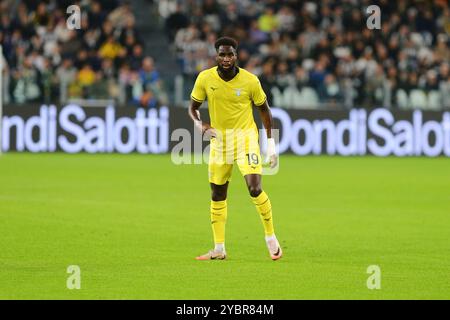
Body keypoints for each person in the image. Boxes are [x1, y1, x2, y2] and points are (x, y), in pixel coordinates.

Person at [188, 37, 282, 261]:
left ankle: (270, 236)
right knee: (217, 194)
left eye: (230, 54)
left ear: (236, 55)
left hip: (246, 140)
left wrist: (271, 145)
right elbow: (192, 108)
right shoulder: (205, 78)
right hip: (219, 144)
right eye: (222, 54)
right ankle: (219, 248)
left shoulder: (250, 81)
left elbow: (265, 111)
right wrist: (200, 124)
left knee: (254, 188)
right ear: (216, 56)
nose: (226, 58)